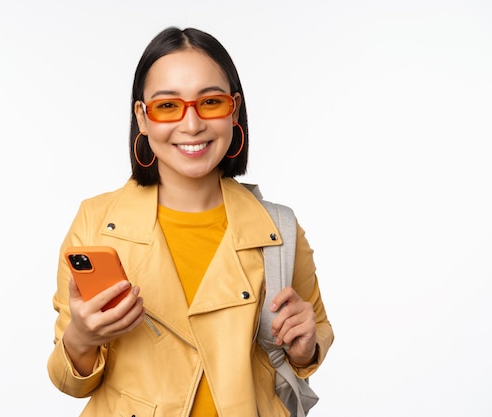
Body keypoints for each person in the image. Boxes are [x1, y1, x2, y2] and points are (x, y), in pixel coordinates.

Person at [47, 26, 334, 417]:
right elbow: (68, 381)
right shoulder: (97, 222)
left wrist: (305, 347)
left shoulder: (278, 229)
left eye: (210, 102)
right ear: (142, 118)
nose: (192, 124)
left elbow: (312, 336)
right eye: (167, 106)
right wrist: (81, 337)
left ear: (233, 110)